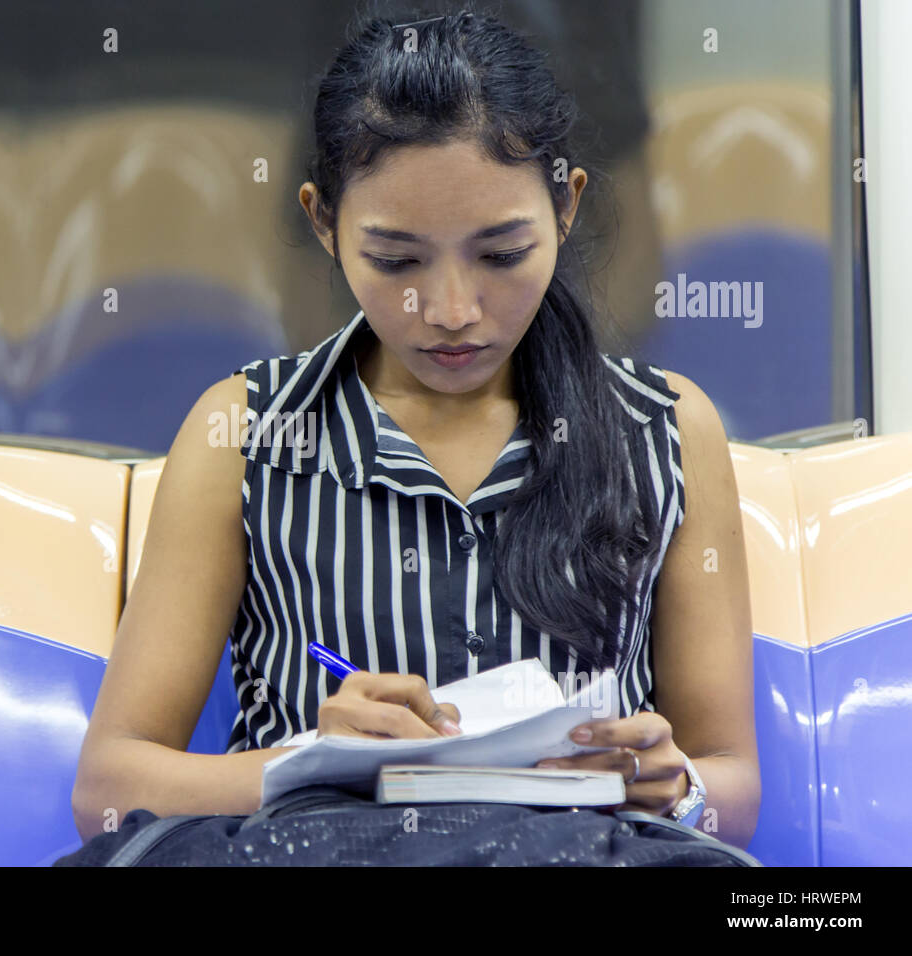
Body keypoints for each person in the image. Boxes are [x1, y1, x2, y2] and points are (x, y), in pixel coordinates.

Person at [70, 7, 760, 851]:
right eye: (396, 261)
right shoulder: (246, 433)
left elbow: (730, 783)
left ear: (567, 207)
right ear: (322, 222)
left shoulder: (664, 430)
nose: (451, 312)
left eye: (502, 255)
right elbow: (110, 784)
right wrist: (311, 760)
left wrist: (677, 782)